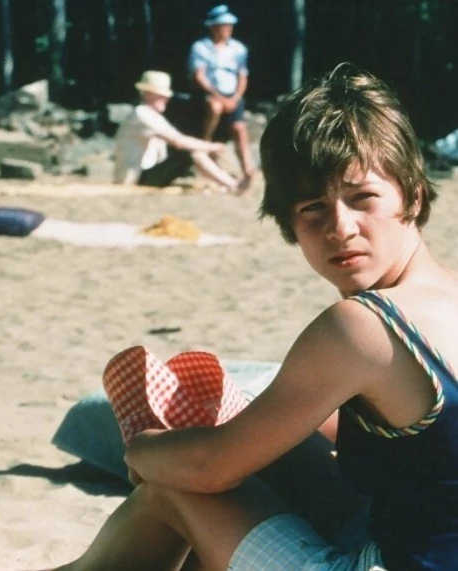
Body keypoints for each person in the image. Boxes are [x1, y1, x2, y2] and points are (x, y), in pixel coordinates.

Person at [52, 63, 455, 570]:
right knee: (268, 453)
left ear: (412, 195)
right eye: (313, 208)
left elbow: (211, 468)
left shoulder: (364, 325)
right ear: (290, 225)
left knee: (176, 490)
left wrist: (142, 450)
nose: (341, 227)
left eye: (362, 198)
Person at [113, 70, 252, 194]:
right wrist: (211, 147)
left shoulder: (151, 115)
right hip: (136, 177)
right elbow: (179, 141)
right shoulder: (142, 114)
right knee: (191, 152)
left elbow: (177, 138)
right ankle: (233, 185)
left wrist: (207, 147)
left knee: (192, 150)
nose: (166, 99)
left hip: (143, 174)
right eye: (161, 95)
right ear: (148, 94)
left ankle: (229, 182)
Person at [188, 4, 255, 181]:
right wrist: (218, 96)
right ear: (213, 27)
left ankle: (247, 169)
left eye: (230, 25)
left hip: (232, 95)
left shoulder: (239, 49)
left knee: (239, 128)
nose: (228, 29)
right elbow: (199, 76)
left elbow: (242, 77)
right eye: (224, 25)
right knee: (214, 107)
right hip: (209, 93)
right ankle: (206, 148)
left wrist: (236, 97)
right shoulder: (201, 47)